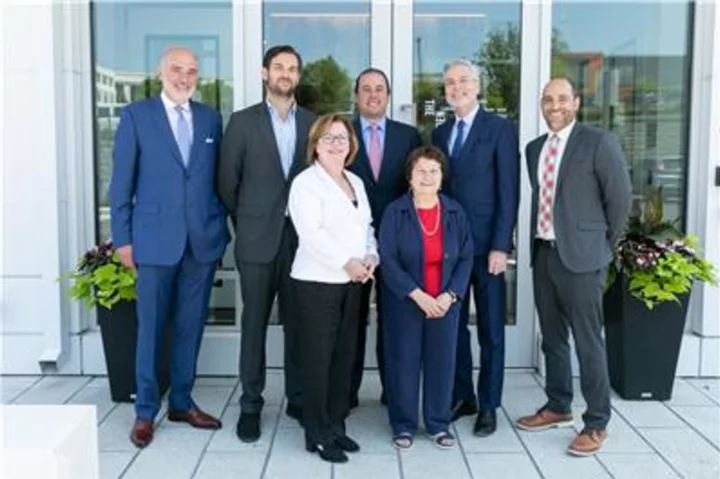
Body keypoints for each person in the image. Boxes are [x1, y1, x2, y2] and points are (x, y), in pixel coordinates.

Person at [110, 46, 229, 448]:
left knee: (190, 326)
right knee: (151, 327)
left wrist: (218, 222)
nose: (184, 77)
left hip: (201, 241)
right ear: (161, 72)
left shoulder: (211, 118)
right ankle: (145, 410)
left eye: (192, 71)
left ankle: (181, 401)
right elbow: (120, 184)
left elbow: (216, 180)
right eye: (177, 69)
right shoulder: (136, 116)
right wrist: (123, 239)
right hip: (154, 241)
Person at [516, 77, 631, 456]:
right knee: (552, 337)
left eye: (562, 99)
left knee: (587, 342)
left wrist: (602, 247)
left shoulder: (598, 143)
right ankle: (558, 405)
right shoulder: (534, 149)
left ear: (577, 102)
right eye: (547, 99)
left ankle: (597, 421)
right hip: (544, 254)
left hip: (584, 258)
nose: (555, 106)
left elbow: (620, 201)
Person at [217, 45, 316, 443]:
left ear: (298, 76)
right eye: (279, 67)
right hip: (257, 243)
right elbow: (227, 184)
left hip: (302, 243)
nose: (285, 74)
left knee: (299, 325)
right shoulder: (241, 123)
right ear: (264, 73)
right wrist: (249, 223)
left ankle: (296, 398)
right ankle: (251, 405)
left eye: (292, 68)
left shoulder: (312, 123)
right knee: (254, 324)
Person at [431, 59, 520, 436]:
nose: (457, 88)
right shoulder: (439, 134)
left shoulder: (499, 129)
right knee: (454, 328)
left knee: (490, 330)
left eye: (464, 81)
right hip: (450, 249)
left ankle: (489, 405)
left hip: (487, 249)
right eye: (450, 83)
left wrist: (502, 244)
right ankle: (463, 395)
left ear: (477, 85)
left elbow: (508, 192)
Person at [288, 114, 378, 463]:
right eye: (328, 138)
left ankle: (336, 426)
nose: (336, 143)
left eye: (342, 137)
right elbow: (312, 235)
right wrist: (348, 262)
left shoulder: (354, 180)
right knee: (317, 360)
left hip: (354, 282)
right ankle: (317, 432)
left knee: (344, 357)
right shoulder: (305, 183)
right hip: (317, 283)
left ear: (351, 144)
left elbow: (366, 226)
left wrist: (371, 255)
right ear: (315, 145)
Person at [379, 146, 473, 450]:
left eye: (434, 171)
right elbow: (388, 259)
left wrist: (450, 296)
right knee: (403, 361)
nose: (427, 176)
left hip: (445, 303)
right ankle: (403, 424)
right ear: (410, 177)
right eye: (421, 171)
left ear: (442, 177)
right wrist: (417, 295)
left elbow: (466, 258)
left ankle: (437, 423)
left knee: (442, 363)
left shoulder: (456, 212)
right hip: (406, 302)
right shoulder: (395, 212)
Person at [347, 68, 422, 408]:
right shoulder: (341, 133)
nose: (373, 95)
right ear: (356, 95)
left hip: (397, 245)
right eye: (366, 89)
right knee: (352, 320)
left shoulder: (409, 136)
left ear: (388, 96)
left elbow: (418, 188)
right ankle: (347, 392)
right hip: (352, 244)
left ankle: (393, 392)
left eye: (379, 89)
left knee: (394, 322)